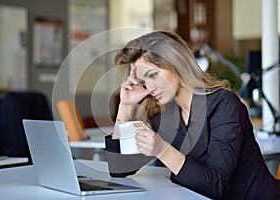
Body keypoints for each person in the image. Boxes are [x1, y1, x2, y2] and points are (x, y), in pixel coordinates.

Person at [104, 31, 280, 199]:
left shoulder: (224, 104)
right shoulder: (165, 114)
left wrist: (161, 149)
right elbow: (119, 168)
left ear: (176, 64)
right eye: (144, 82)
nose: (150, 87)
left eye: (154, 75)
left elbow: (216, 186)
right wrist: (125, 106)